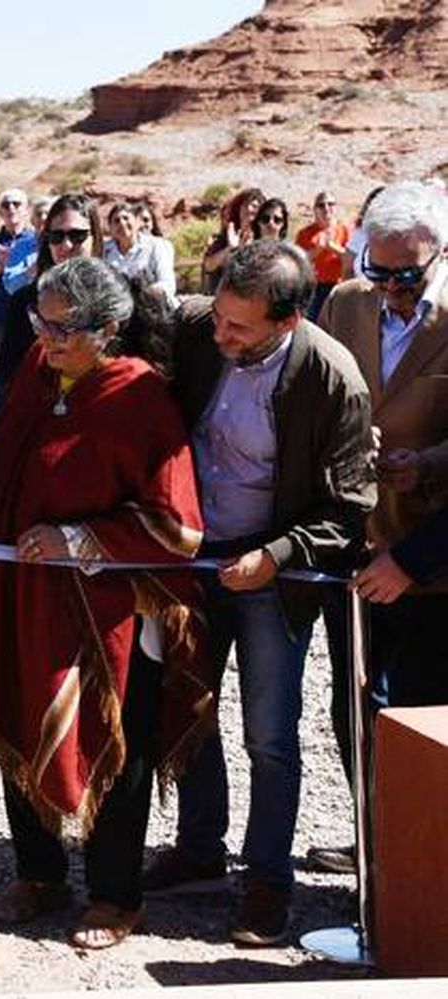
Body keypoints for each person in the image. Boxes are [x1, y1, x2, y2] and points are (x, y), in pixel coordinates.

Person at [0, 256, 207, 950]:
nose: (50, 337)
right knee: (18, 713)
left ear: (111, 329)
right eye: (43, 321)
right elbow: (28, 458)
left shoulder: (140, 398)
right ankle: (39, 872)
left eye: (68, 328)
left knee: (114, 745)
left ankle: (114, 895)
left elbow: (176, 525)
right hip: (24, 596)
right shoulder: (37, 378)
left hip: (108, 617)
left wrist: (78, 537)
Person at [141, 241, 374, 947]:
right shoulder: (201, 329)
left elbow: (349, 507)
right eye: (218, 319)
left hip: (276, 580)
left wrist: (275, 557)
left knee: (270, 734)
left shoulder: (333, 379)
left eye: (238, 327)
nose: (220, 335)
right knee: (189, 711)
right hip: (198, 565)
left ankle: (268, 881)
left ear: (288, 318)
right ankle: (200, 851)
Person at [309, 181, 448, 873]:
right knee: (355, 705)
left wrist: (425, 462)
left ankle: (421, 864)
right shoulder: (343, 304)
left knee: (425, 715)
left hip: (433, 563)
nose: (390, 287)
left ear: (439, 256)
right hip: (354, 550)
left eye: (406, 275)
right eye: (378, 270)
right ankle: (376, 848)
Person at [0, 193, 106, 417]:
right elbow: (7, 376)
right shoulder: (25, 302)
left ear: (96, 238)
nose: (66, 244)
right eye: (56, 236)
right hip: (43, 419)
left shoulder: (122, 296)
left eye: (78, 235)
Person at [0, 187, 40, 412]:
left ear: (27, 210)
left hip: (36, 317)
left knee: (35, 366)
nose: (11, 208)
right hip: (2, 318)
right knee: (0, 368)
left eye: (16, 204)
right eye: (6, 205)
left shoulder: (38, 240)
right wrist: (1, 264)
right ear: (0, 212)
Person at [103, 201, 177, 303]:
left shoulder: (156, 246)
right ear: (110, 228)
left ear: (137, 222)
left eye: (126, 218)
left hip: (155, 307)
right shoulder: (104, 251)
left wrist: (143, 294)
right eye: (116, 221)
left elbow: (168, 284)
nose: (122, 223)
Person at [295, 190, 351, 320]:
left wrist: (332, 247)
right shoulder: (305, 233)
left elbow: (351, 259)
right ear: (314, 210)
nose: (326, 208)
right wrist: (317, 250)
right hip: (314, 287)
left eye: (330, 204)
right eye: (321, 205)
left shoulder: (345, 230)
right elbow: (299, 261)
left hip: (338, 287)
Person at [203, 187, 265, 292]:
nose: (249, 209)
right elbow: (209, 266)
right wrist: (231, 248)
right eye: (245, 205)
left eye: (255, 206)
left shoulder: (263, 239)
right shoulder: (226, 236)